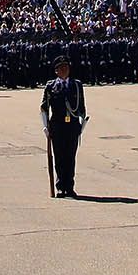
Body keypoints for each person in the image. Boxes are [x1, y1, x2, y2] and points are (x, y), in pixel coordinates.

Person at [40, 55, 87, 198]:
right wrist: (45, 126)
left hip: (72, 125)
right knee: (59, 156)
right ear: (56, 71)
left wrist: (81, 124)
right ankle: (60, 186)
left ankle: (70, 186)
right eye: (61, 68)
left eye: (66, 67)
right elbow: (44, 107)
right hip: (57, 125)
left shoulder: (76, 85)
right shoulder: (51, 86)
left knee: (70, 157)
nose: (64, 70)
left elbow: (82, 106)